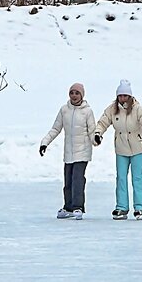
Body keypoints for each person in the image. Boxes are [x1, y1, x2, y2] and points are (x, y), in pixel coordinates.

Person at [95, 79, 142, 220]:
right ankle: (121, 207)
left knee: (137, 177)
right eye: (120, 96)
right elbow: (103, 122)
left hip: (138, 148)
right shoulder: (112, 109)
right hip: (121, 149)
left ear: (130, 96)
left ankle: (140, 208)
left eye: (125, 96)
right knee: (121, 177)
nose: (123, 98)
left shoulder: (138, 109)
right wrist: (98, 133)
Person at [40, 82, 98, 219]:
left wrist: (96, 139)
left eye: (77, 93)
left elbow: (92, 131)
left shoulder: (87, 111)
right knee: (68, 182)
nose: (74, 96)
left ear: (82, 95)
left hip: (83, 151)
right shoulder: (64, 110)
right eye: (72, 93)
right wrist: (45, 143)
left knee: (78, 180)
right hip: (68, 153)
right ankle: (68, 207)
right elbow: (56, 129)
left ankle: (78, 207)